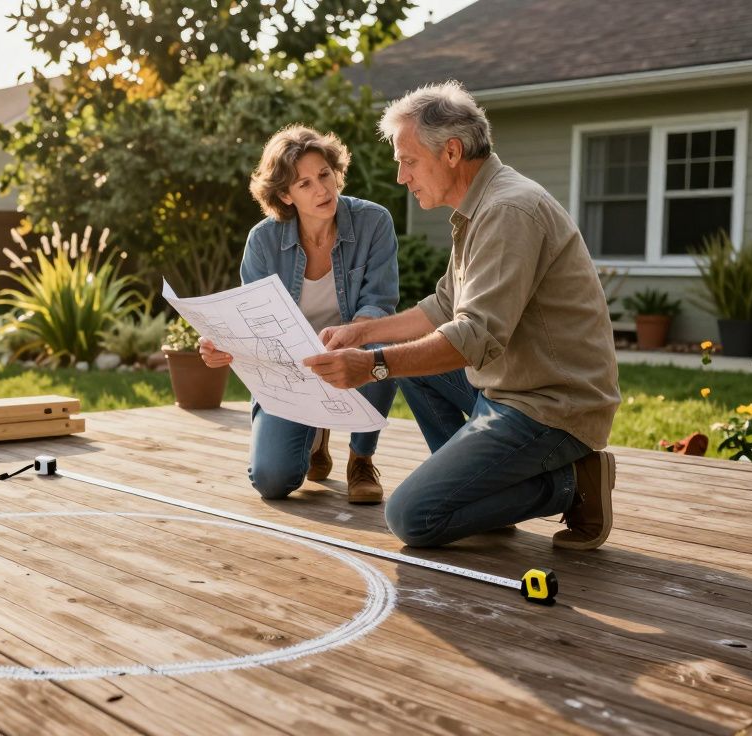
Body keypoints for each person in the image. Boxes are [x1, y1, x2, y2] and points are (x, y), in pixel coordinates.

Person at [303, 82, 621, 550]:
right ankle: (485, 493)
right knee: (410, 365)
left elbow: (473, 337)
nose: (400, 177)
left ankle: (574, 482)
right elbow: (443, 308)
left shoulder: (509, 210)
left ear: (451, 152)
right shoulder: (479, 207)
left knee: (413, 516)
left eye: (407, 161)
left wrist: (373, 365)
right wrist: (362, 332)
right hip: (509, 387)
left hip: (553, 406)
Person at [199, 125, 400, 504]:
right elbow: (251, 321)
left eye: (324, 174)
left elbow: (379, 303)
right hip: (289, 367)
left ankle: (361, 458)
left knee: (380, 341)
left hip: (350, 348)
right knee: (272, 482)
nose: (322, 190)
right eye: (304, 183)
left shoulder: (375, 222)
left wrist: (348, 341)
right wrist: (220, 344)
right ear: (285, 195)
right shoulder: (263, 240)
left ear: (336, 171)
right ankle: (316, 437)